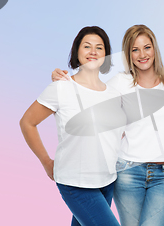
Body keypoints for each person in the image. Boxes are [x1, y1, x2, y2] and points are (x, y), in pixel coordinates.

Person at [52, 24, 164, 226]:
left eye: (147, 47)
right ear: (128, 54)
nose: (142, 54)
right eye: (134, 49)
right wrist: (63, 81)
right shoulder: (119, 83)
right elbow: (89, 95)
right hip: (129, 172)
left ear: (155, 48)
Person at [20, 26, 125, 226]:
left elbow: (117, 134)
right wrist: (45, 161)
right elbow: (27, 122)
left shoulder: (114, 94)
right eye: (87, 46)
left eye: (99, 47)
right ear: (77, 51)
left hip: (107, 180)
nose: (93, 51)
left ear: (106, 54)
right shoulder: (61, 87)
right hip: (75, 182)